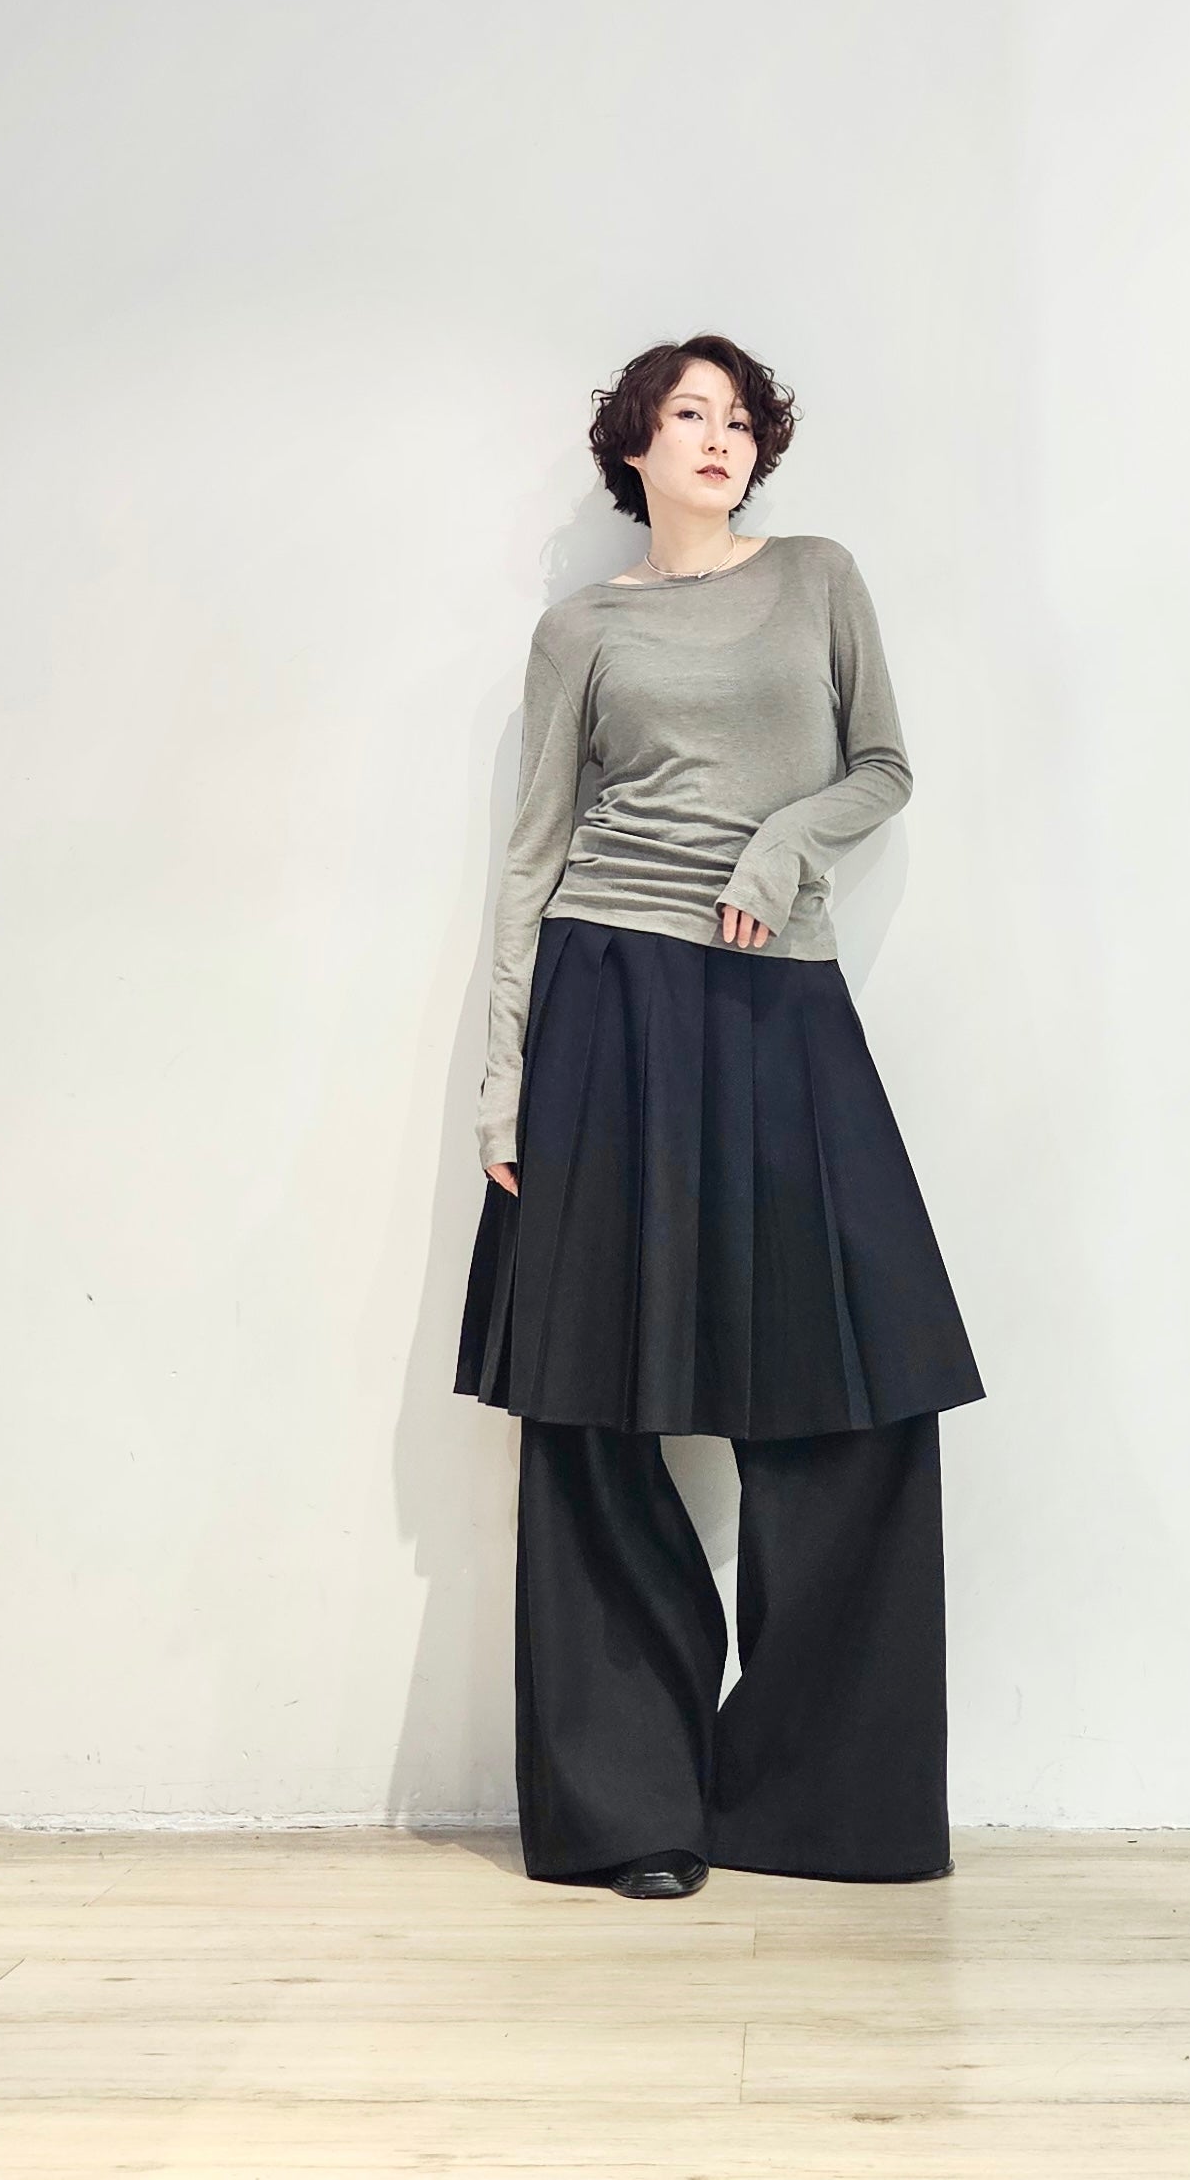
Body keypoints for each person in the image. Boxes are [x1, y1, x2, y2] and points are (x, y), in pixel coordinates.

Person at [456, 332, 985, 1900]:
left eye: (741, 420)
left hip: (773, 1002)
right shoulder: (582, 631)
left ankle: (813, 1803)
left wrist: (782, 846)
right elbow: (534, 855)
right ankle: (632, 1813)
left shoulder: (817, 579)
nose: (719, 437)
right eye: (689, 414)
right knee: (593, 1409)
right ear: (634, 446)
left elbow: (883, 765)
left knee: (858, 1393)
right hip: (606, 1002)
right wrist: (502, 1082)